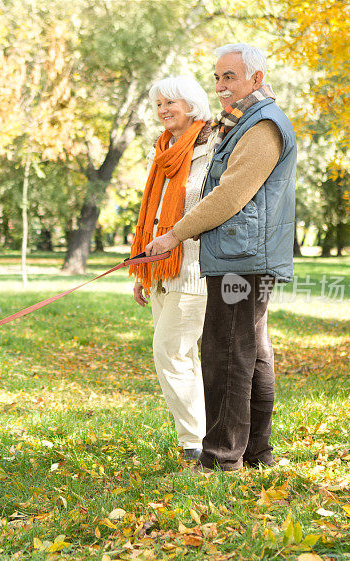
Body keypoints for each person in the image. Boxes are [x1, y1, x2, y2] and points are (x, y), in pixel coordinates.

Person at [145, 44, 297, 472]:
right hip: (242, 253)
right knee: (253, 353)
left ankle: (220, 458)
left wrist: (175, 234)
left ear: (257, 78)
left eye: (229, 76)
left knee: (226, 353)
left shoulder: (263, 126)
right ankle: (255, 453)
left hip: (243, 257)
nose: (219, 86)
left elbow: (230, 194)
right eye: (216, 77)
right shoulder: (241, 123)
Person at [129, 75, 213, 461]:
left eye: (171, 102)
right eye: (159, 104)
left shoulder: (209, 147)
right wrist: (143, 268)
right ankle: (202, 434)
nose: (163, 110)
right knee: (182, 356)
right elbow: (154, 211)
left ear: (192, 104)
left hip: (194, 265)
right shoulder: (162, 150)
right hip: (160, 268)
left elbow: (210, 207)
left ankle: (193, 443)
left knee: (170, 352)